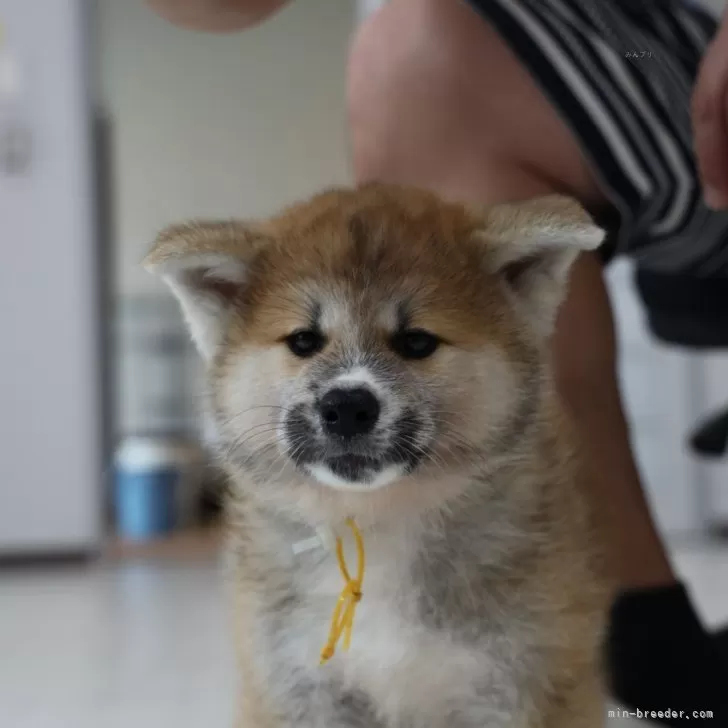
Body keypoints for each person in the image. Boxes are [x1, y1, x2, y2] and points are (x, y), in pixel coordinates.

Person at [149, 0, 728, 723]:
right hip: (603, 72)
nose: (349, 389)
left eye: (414, 344)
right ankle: (655, 633)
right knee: (417, 48)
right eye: (305, 343)